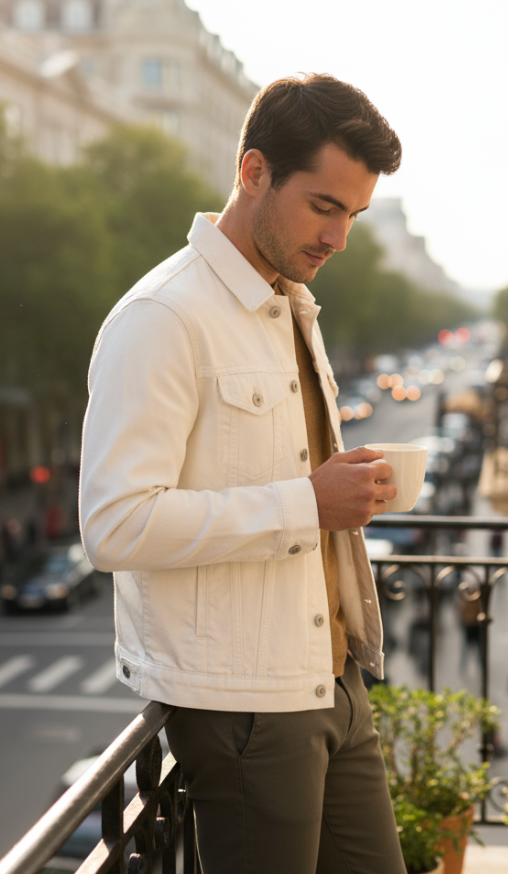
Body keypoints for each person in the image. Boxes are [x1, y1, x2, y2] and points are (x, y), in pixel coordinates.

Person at [80, 74, 405, 874]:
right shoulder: (163, 317)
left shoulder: (290, 301)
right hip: (247, 708)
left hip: (332, 682)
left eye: (354, 215)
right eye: (324, 205)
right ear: (253, 171)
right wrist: (306, 503)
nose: (338, 237)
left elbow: (284, 474)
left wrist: (344, 490)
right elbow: (114, 525)